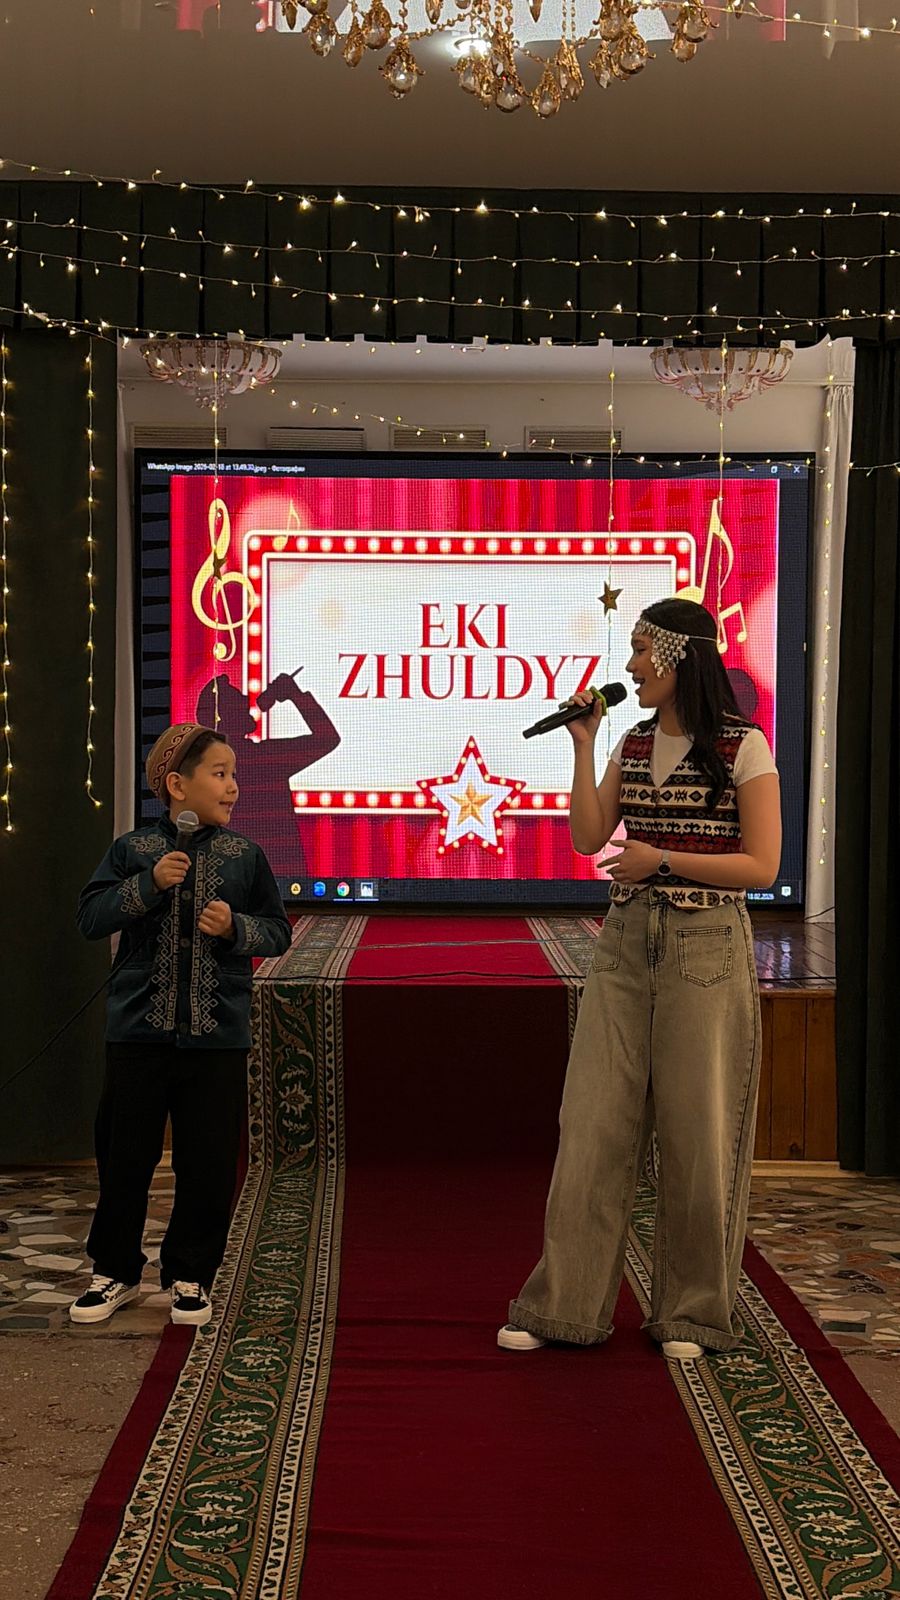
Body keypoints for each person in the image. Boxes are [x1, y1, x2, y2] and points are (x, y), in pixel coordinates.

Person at [499, 597, 782, 1361]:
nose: (629, 666)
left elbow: (763, 866)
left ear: (680, 655)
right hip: (625, 943)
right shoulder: (632, 740)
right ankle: (565, 1306)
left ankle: (693, 1313)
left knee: (698, 1132)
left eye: (640, 649)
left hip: (705, 946)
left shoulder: (743, 745)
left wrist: (663, 860)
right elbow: (588, 835)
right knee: (591, 1123)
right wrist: (584, 744)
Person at [69, 723, 291, 1329]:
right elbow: (91, 916)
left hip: (217, 1038)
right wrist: (147, 886)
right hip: (138, 1035)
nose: (233, 787)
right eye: (220, 774)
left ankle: (191, 1274)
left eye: (234, 775)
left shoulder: (246, 856)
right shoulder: (133, 850)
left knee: (207, 1163)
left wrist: (236, 928)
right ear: (176, 785)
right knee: (124, 1159)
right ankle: (114, 1270)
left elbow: (278, 931)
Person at [196, 673, 340, 879]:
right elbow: (327, 738)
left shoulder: (203, 770)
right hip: (280, 879)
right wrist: (294, 695)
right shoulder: (263, 758)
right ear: (224, 718)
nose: (246, 701)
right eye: (238, 701)